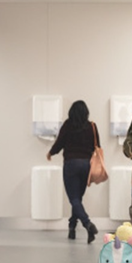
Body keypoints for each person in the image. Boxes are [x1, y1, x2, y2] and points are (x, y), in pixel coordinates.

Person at [46, 100, 100, 243]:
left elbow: (60, 142)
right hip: (86, 165)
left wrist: (51, 152)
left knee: (74, 199)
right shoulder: (91, 126)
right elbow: (97, 146)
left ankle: (87, 224)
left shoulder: (68, 125)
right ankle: (72, 227)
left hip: (71, 164)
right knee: (77, 199)